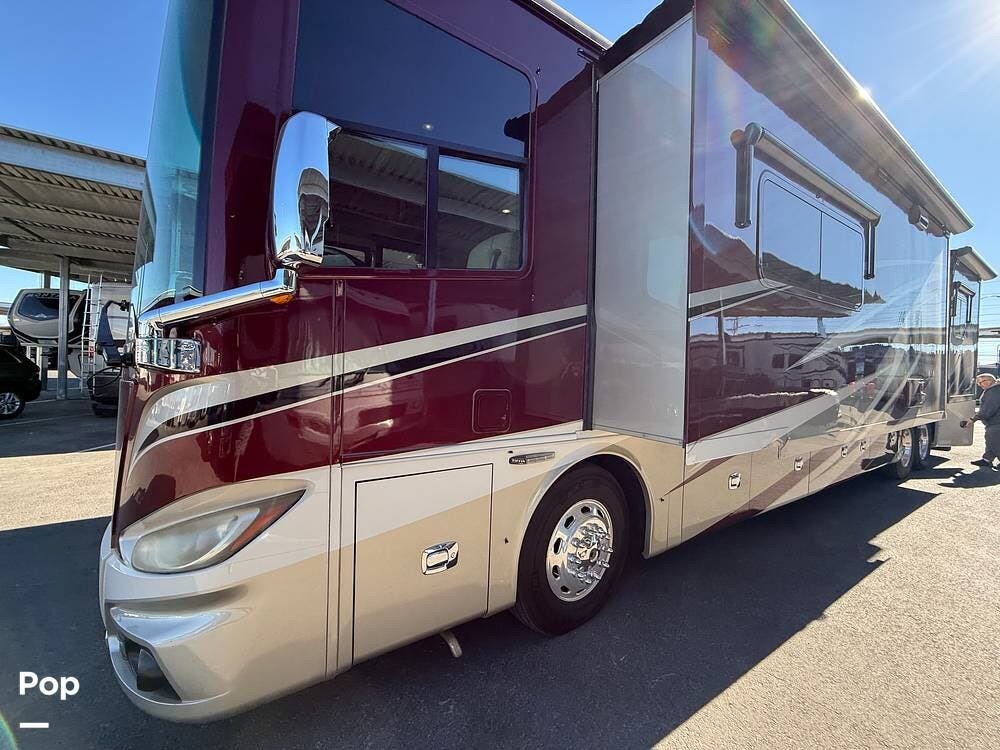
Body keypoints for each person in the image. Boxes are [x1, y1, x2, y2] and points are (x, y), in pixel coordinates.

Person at [972, 373, 1000, 468]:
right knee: (991, 440)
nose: (980, 385)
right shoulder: (994, 389)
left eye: (981, 382)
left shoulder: (993, 391)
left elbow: (988, 409)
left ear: (989, 381)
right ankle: (987, 459)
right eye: (978, 383)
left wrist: (973, 419)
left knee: (994, 442)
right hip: (994, 422)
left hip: (996, 422)